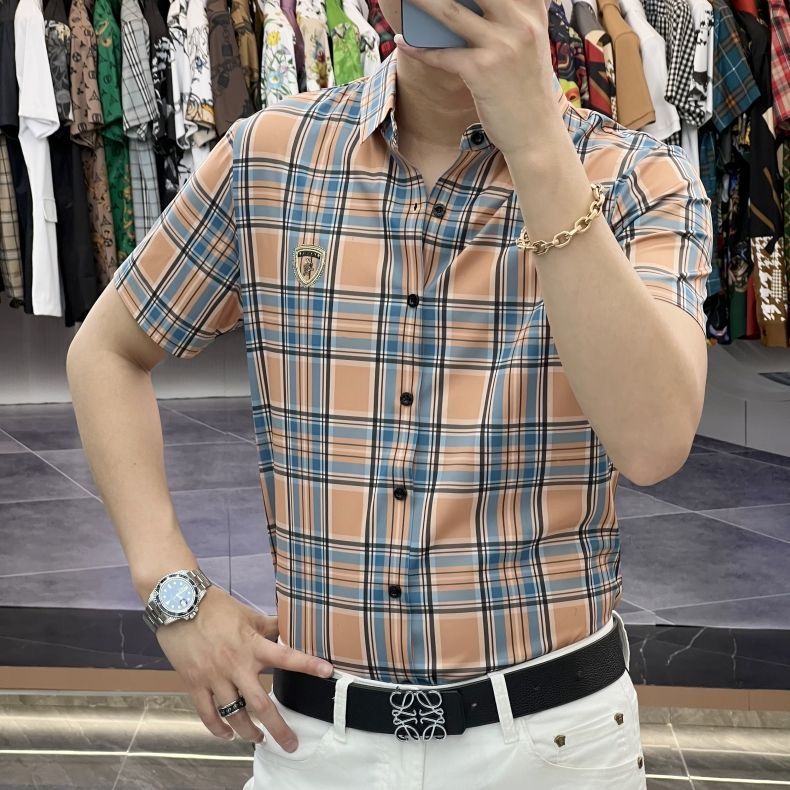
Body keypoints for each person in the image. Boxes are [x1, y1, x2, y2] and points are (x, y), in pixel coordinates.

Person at [67, 0, 712, 787]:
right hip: (317, 746)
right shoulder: (270, 156)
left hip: (553, 745)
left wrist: (539, 146)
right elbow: (106, 351)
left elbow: (652, 444)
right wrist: (173, 591)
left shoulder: (639, 177)